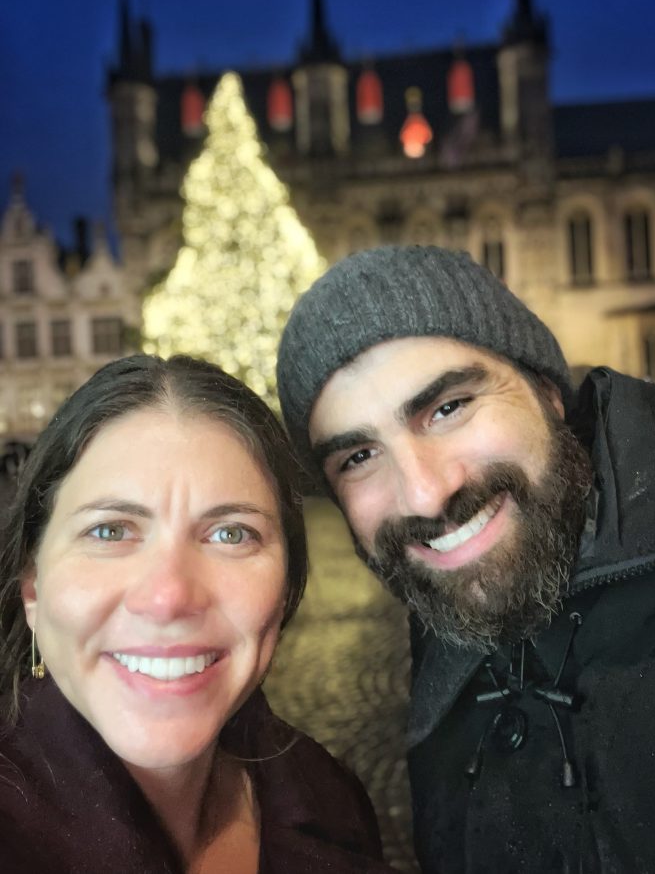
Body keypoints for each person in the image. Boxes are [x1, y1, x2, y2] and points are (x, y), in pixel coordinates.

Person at [276, 245, 655, 873]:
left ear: (547, 390)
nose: (426, 493)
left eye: (448, 408)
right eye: (358, 458)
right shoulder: (449, 598)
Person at [0, 354, 396, 874]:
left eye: (231, 534)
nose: (169, 596)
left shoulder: (328, 797)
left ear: (286, 586)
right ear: (33, 585)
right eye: (110, 531)